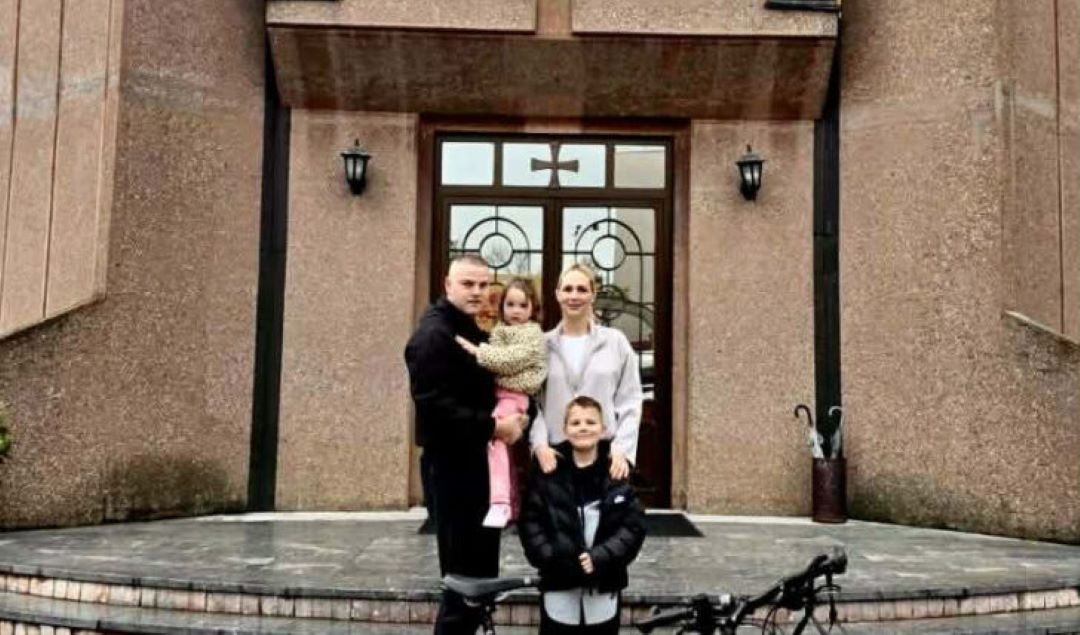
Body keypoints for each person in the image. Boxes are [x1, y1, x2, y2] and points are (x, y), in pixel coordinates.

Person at [404, 254, 528, 635]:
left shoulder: (469, 328)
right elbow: (434, 407)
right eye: (468, 284)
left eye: (483, 284)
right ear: (448, 285)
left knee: (480, 582)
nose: (477, 292)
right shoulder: (433, 335)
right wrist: (496, 428)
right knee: (463, 586)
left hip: (476, 469)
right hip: (453, 472)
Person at [519, 395, 646, 634]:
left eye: (590, 422)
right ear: (565, 430)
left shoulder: (616, 471)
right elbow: (530, 524)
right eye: (575, 423)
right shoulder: (548, 474)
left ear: (603, 429)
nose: (583, 428)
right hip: (559, 586)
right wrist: (554, 558)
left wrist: (601, 556)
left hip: (604, 587)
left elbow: (632, 527)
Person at [530, 263, 643, 480]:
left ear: (593, 295)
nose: (574, 296)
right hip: (554, 456)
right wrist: (539, 445)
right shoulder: (541, 346)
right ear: (558, 294)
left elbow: (630, 401)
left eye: (582, 289)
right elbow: (533, 405)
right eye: (568, 289)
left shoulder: (615, 343)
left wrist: (622, 449)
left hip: (605, 456)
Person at [455, 277, 547, 528]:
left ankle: (499, 502)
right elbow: (497, 365)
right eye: (510, 304)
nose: (516, 311)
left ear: (533, 308)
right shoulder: (498, 332)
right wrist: (493, 362)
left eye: (523, 305)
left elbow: (510, 360)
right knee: (505, 450)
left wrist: (479, 352)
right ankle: (513, 506)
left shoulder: (533, 334)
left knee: (495, 439)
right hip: (499, 396)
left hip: (515, 397)